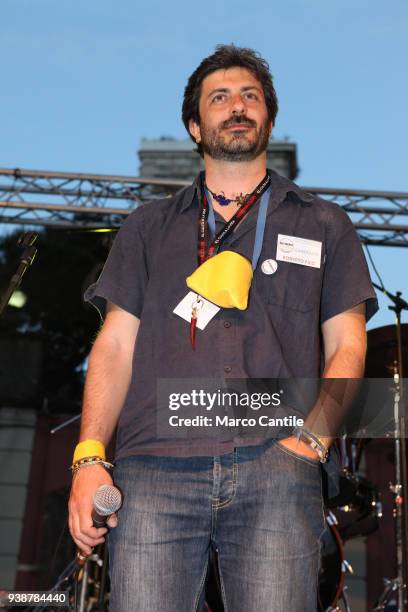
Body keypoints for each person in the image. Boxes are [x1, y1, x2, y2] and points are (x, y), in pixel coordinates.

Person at [68, 44, 378, 611]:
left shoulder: (325, 224)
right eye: (219, 98)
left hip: (279, 467)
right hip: (153, 468)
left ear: (267, 117)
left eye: (249, 96)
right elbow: (114, 343)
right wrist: (90, 457)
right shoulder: (147, 227)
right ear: (195, 125)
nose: (236, 106)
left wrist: (312, 441)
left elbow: (348, 342)